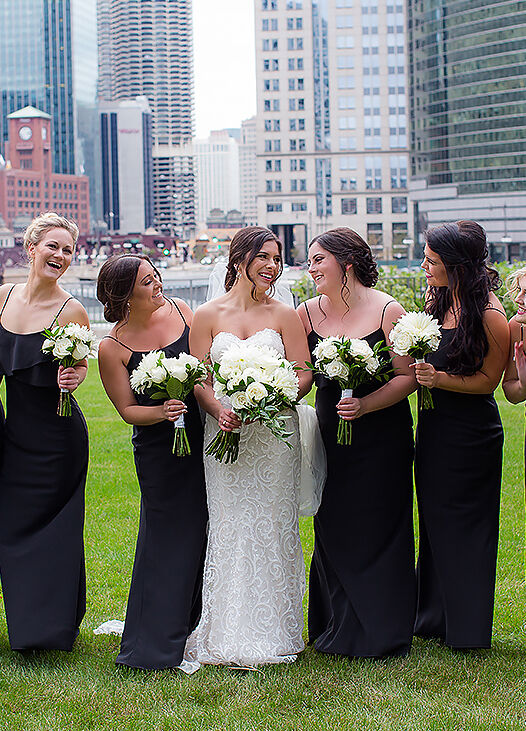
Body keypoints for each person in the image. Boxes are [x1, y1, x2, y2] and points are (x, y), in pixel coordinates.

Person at [186, 226, 312, 666]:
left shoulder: (284, 314)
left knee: (272, 525)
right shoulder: (206, 315)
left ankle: (276, 630)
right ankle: (224, 629)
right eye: (265, 257)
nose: (273, 267)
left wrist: (274, 396)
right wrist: (218, 406)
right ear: (240, 258)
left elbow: (303, 372)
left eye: (278, 259)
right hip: (224, 433)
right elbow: (199, 379)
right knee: (230, 524)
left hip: (274, 437)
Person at [297, 227, 416, 658]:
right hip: (333, 435)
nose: (310, 269)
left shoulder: (389, 310)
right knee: (335, 522)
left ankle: (384, 627)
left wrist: (366, 406)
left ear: (346, 264)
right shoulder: (306, 313)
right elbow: (304, 377)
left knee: (383, 523)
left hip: (382, 435)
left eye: (317, 261)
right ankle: (335, 625)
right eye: (310, 261)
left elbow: (406, 377)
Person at [97, 254, 207, 670]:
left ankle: (196, 620)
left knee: (204, 526)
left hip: (201, 438)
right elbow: (126, 409)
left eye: (156, 275)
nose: (157, 283)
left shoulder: (183, 310)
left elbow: (208, 372)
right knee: (165, 534)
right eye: (147, 281)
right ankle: (155, 637)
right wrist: (161, 413)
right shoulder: (113, 347)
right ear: (125, 295)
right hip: (158, 451)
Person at [414, 220, 509, 649]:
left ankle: (468, 630)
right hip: (434, 430)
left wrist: (438, 379)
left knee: (466, 528)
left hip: (472, 435)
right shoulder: (438, 303)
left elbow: (488, 382)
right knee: (434, 525)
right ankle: (433, 616)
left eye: (431, 260)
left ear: (455, 265)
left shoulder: (489, 315)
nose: (424, 266)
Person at [0, 211, 89, 651]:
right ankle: (23, 624)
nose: (60, 255)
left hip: (57, 439)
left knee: (56, 532)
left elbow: (80, 366)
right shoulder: (1, 297)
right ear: (30, 248)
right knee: (12, 529)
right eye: (52, 246)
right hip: (12, 437)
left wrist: (74, 376)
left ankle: (49, 633)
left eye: (68, 250)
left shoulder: (70, 308)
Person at [502, 266, 526, 407]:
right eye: (519, 290)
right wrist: (523, 384)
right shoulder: (518, 328)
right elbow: (511, 393)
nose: (517, 299)